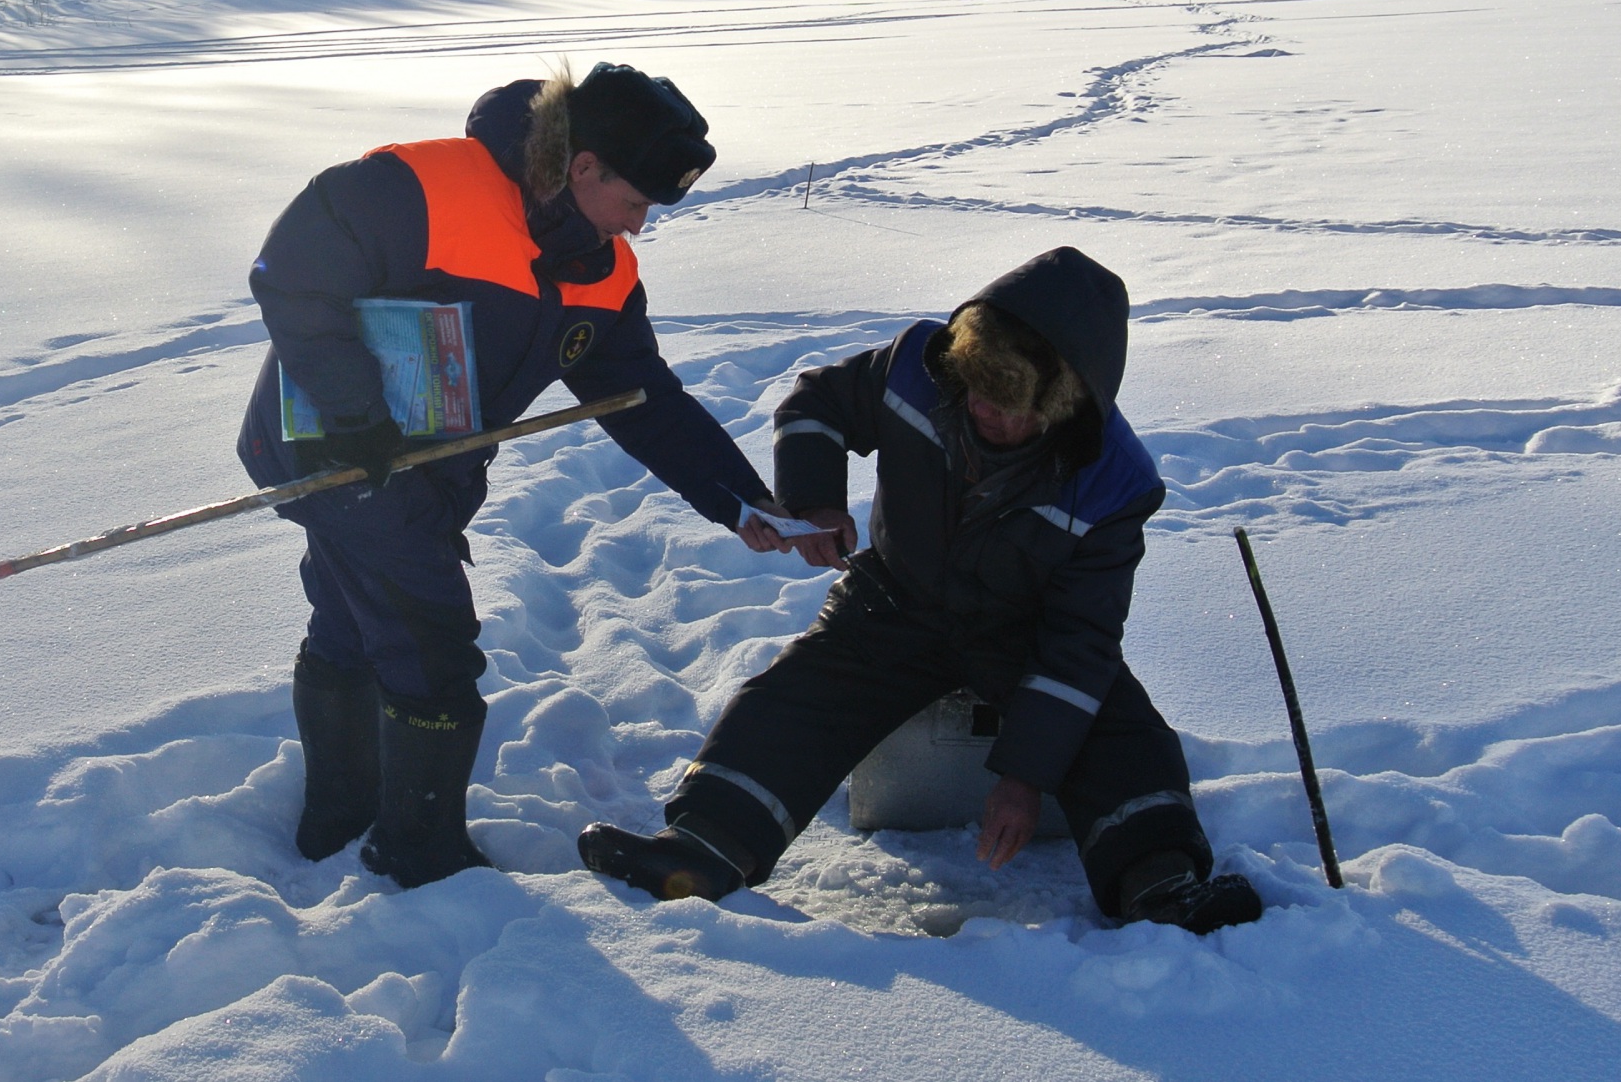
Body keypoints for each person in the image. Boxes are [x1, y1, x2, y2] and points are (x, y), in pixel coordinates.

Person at [578, 247, 1264, 934]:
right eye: (977, 391)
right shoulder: (915, 364)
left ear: (1062, 405)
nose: (986, 413)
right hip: (894, 599)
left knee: (1117, 725)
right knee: (794, 698)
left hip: (1027, 632)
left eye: (1010, 405)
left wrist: (1024, 778)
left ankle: (1159, 883)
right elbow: (815, 404)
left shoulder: (1115, 481)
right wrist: (814, 501)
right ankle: (703, 849)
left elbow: (1080, 639)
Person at [239, 62, 788, 889]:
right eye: (635, 203)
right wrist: (357, 416)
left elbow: (643, 400)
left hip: (428, 471)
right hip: (338, 451)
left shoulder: (600, 271)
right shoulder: (420, 188)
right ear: (583, 168)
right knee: (430, 644)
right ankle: (416, 855)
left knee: (355, 620)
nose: (639, 228)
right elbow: (292, 272)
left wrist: (739, 495)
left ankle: (336, 820)